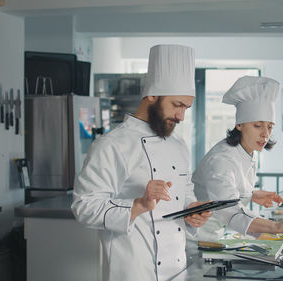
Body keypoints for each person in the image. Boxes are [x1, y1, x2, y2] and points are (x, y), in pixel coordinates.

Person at [71, 44, 211, 281]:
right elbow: (84, 207)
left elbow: (185, 193)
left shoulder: (178, 145)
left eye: (186, 108)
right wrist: (139, 204)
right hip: (133, 271)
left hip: (177, 270)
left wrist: (191, 211)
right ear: (152, 95)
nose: (181, 116)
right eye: (177, 105)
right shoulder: (112, 145)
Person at [192, 76, 283, 238]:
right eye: (257, 126)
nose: (265, 134)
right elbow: (228, 211)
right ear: (239, 125)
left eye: (269, 127)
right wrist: (276, 226)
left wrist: (251, 194)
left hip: (214, 236)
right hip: (196, 238)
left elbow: (227, 190)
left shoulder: (246, 151)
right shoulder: (222, 159)